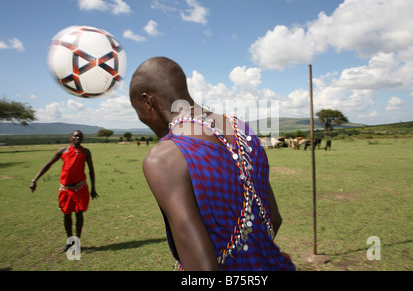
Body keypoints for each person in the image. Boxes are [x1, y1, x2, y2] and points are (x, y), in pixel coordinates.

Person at [129, 56, 295, 271]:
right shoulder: (242, 129)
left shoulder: (164, 157)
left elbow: (202, 269)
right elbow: (274, 218)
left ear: (147, 101)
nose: (142, 118)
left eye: (138, 111)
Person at [29, 130, 98, 252]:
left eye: (80, 136)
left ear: (82, 139)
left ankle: (77, 242)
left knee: (79, 214)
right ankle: (70, 242)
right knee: (66, 215)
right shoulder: (63, 151)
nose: (78, 138)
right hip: (65, 189)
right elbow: (48, 164)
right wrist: (34, 179)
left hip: (80, 188)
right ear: (71, 138)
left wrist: (93, 188)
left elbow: (91, 170)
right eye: (75, 136)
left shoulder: (86, 152)